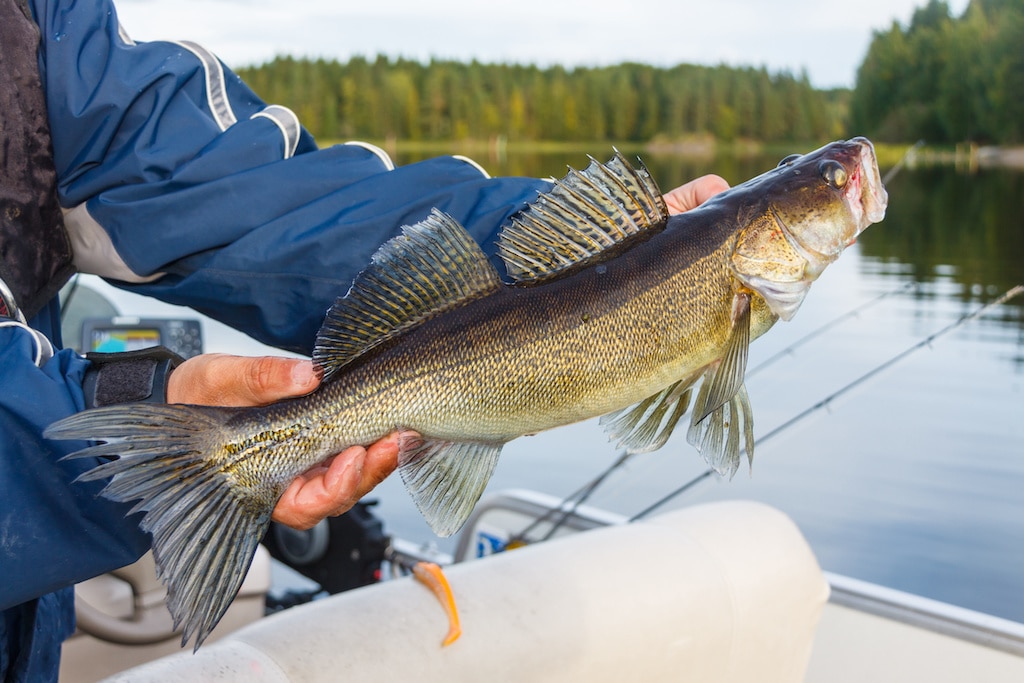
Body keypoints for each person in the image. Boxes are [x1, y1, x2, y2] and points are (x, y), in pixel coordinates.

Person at [0, 0, 728, 679]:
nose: (848, 177)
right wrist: (106, 420)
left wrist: (578, 260)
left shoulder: (48, 26)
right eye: (826, 183)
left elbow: (261, 199)